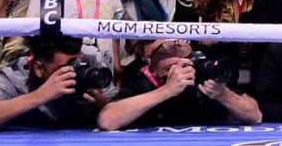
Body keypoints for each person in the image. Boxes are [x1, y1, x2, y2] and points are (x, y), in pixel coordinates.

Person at [0, 33, 115, 133]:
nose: (74, 70)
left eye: (76, 62)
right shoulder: (15, 76)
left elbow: (119, 106)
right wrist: (40, 96)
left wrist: (102, 104)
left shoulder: (90, 61)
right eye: (65, 68)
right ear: (38, 68)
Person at [99, 39, 262, 131]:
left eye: (181, 59)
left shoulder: (202, 72)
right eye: (170, 65)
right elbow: (107, 120)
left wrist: (223, 93)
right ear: (151, 64)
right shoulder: (143, 79)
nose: (179, 70)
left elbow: (255, 115)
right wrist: (166, 91)